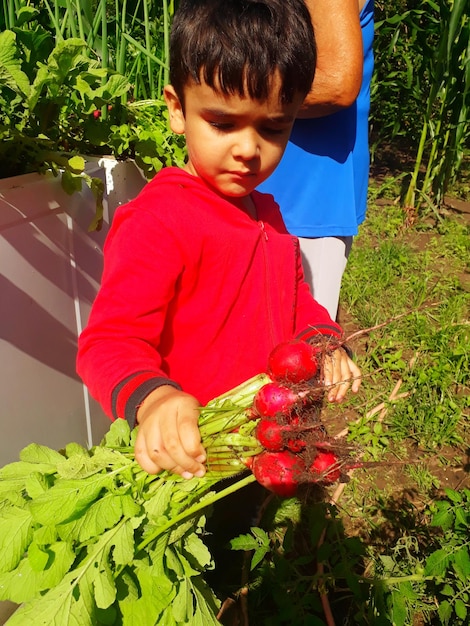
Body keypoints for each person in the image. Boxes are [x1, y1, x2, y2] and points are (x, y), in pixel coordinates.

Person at [77, 0, 361, 480]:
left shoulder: (267, 213)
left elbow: (298, 303)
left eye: (274, 126)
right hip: (190, 458)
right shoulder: (159, 219)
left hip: (258, 444)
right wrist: (156, 399)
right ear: (177, 109)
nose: (248, 149)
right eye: (223, 123)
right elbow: (109, 341)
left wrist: (324, 341)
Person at [258, 0, 375, 321]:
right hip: (264, 178)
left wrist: (224, 92)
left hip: (305, 193)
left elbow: (335, 83)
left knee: (301, 341)